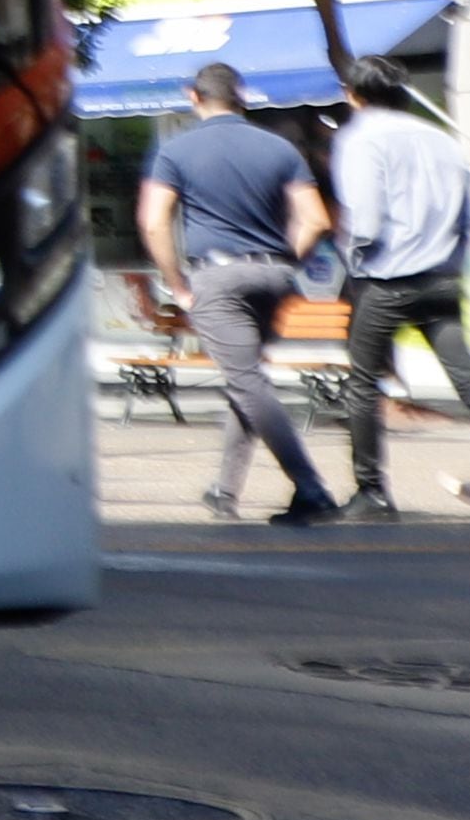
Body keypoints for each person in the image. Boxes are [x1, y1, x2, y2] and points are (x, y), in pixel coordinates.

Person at [325, 65, 470, 523]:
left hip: (387, 278)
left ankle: (373, 493)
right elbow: (466, 215)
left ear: (353, 94)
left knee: (363, 383)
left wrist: (356, 262)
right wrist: (455, 262)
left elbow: (364, 216)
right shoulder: (439, 138)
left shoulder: (360, 138)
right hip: (442, 276)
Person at [135, 61, 344, 526]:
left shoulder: (175, 151)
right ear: (241, 95)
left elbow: (153, 221)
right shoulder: (280, 148)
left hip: (217, 278)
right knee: (245, 380)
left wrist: (177, 284)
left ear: (193, 96)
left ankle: (311, 488)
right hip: (273, 277)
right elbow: (316, 220)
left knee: (246, 381)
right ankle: (224, 490)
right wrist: (284, 259)